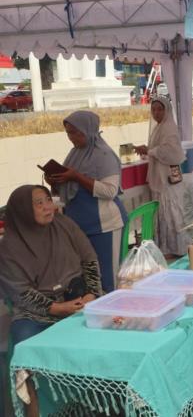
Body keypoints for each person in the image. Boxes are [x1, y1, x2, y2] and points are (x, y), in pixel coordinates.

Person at [0, 185, 102, 417]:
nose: (49, 207)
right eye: (40, 203)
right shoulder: (8, 248)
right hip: (35, 313)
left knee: (106, 336)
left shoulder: (64, 225)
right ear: (23, 211)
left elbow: (89, 260)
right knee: (26, 350)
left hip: (78, 299)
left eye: (48, 199)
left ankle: (94, 403)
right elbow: (20, 292)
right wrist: (55, 308)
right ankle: (34, 410)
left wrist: (92, 294)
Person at [46, 111, 127, 293]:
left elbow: (110, 191)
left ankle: (111, 308)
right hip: (79, 226)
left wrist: (76, 176)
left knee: (107, 277)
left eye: (74, 132)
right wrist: (55, 182)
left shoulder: (104, 155)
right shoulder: (75, 154)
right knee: (88, 278)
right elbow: (69, 189)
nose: (71, 137)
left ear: (87, 130)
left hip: (104, 225)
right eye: (68, 133)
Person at [134, 96, 187, 257]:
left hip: (168, 179)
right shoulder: (159, 127)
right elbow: (159, 149)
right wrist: (148, 149)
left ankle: (176, 248)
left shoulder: (169, 128)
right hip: (161, 177)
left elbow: (172, 153)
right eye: (153, 109)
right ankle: (166, 248)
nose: (156, 113)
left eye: (160, 109)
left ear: (167, 111)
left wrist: (149, 151)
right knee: (163, 213)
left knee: (171, 213)